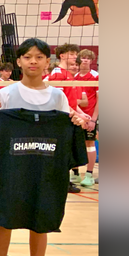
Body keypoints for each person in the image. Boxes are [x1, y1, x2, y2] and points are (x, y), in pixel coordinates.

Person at [0, 38, 88, 256]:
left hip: (45, 170)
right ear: (19, 61)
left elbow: (68, 125)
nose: (33, 61)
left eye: (39, 57)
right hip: (12, 169)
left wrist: (76, 121)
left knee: (41, 223)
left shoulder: (58, 96)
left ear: (47, 62)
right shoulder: (6, 94)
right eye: (28, 56)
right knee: (4, 220)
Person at [45, 43, 83, 193]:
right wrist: (75, 114)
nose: (75, 57)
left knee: (66, 151)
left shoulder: (68, 74)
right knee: (60, 152)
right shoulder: (58, 74)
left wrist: (80, 112)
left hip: (69, 117)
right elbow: (58, 101)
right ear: (62, 56)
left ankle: (64, 181)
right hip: (60, 119)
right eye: (72, 54)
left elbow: (70, 100)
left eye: (75, 54)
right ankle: (60, 182)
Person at [74, 49, 99, 186]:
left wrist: (94, 119)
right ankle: (75, 174)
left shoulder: (96, 76)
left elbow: (99, 99)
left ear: (91, 61)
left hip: (89, 116)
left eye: (88, 58)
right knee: (73, 143)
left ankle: (89, 175)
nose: (85, 60)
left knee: (89, 143)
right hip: (76, 115)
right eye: (83, 58)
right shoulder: (74, 76)